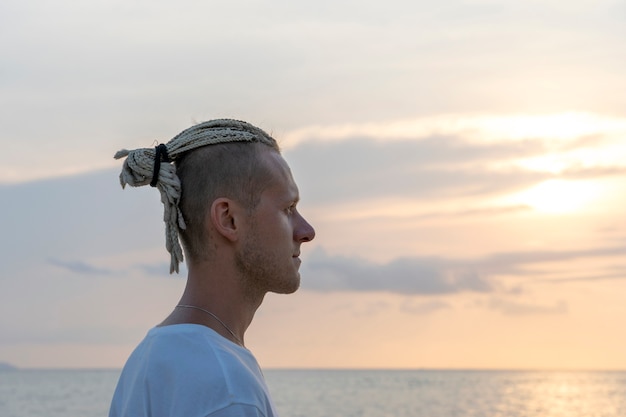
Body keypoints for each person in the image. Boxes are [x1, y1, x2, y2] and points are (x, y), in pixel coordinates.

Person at [109, 119, 316, 417]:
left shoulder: (149, 358)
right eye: (288, 209)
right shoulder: (226, 387)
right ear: (229, 219)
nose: (307, 231)